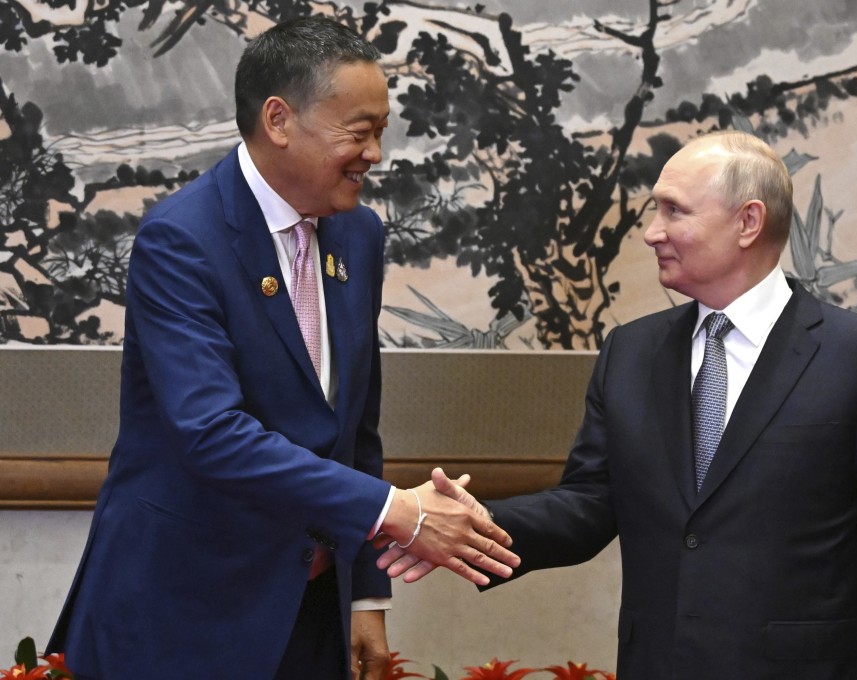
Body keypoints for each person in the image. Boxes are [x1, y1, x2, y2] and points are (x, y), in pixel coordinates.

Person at [380, 130, 857, 677]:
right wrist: (474, 524)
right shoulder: (630, 353)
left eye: (673, 211)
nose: (653, 232)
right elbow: (589, 504)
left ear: (748, 221)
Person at [47, 16, 518, 680]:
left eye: (381, 132)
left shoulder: (357, 236)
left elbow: (352, 425)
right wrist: (397, 512)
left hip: (307, 610)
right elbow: (211, 433)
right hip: (182, 612)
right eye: (358, 132)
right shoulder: (182, 241)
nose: (375, 155)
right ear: (278, 120)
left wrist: (366, 595)